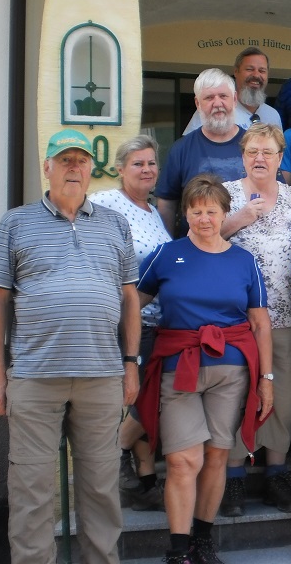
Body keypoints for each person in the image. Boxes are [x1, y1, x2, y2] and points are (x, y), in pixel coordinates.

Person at [0, 129, 141, 564]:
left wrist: (131, 363)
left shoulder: (115, 224)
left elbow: (129, 298)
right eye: (65, 159)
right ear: (47, 168)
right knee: (32, 491)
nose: (74, 166)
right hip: (34, 376)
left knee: (101, 489)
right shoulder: (16, 222)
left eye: (82, 160)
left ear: (92, 169)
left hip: (103, 375)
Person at [136, 174, 274, 564]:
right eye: (195, 211)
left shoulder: (243, 259)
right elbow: (133, 302)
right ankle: (178, 550)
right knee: (183, 459)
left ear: (224, 213)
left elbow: (260, 323)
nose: (204, 219)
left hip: (231, 371)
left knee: (217, 456)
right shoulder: (166, 254)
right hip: (178, 368)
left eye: (211, 211)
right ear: (185, 214)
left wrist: (266, 380)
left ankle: (204, 540)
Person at [217, 123, 291, 516]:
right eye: (252, 152)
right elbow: (203, 236)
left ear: (281, 158)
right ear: (242, 156)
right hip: (233, 321)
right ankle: (232, 479)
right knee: (233, 398)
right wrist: (241, 217)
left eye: (268, 152)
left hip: (284, 318)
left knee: (280, 397)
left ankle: (275, 475)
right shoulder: (226, 195)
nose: (259, 159)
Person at [90, 134, 171, 512]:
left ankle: (143, 482)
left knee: (143, 400)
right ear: (120, 169)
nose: (147, 169)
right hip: (125, 322)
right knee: (151, 399)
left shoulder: (154, 211)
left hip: (156, 321)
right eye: (138, 163)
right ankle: (115, 450)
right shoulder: (105, 203)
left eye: (152, 163)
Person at [157, 68, 247, 236]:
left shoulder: (254, 146)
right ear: (198, 104)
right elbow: (167, 204)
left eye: (223, 96)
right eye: (209, 98)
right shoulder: (181, 149)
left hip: (248, 250)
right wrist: (168, 245)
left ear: (234, 99)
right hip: (195, 249)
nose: (217, 103)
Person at [183, 47, 281, 133]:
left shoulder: (273, 115)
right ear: (236, 72)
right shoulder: (214, 109)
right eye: (249, 69)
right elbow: (190, 147)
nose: (256, 75)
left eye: (262, 71)